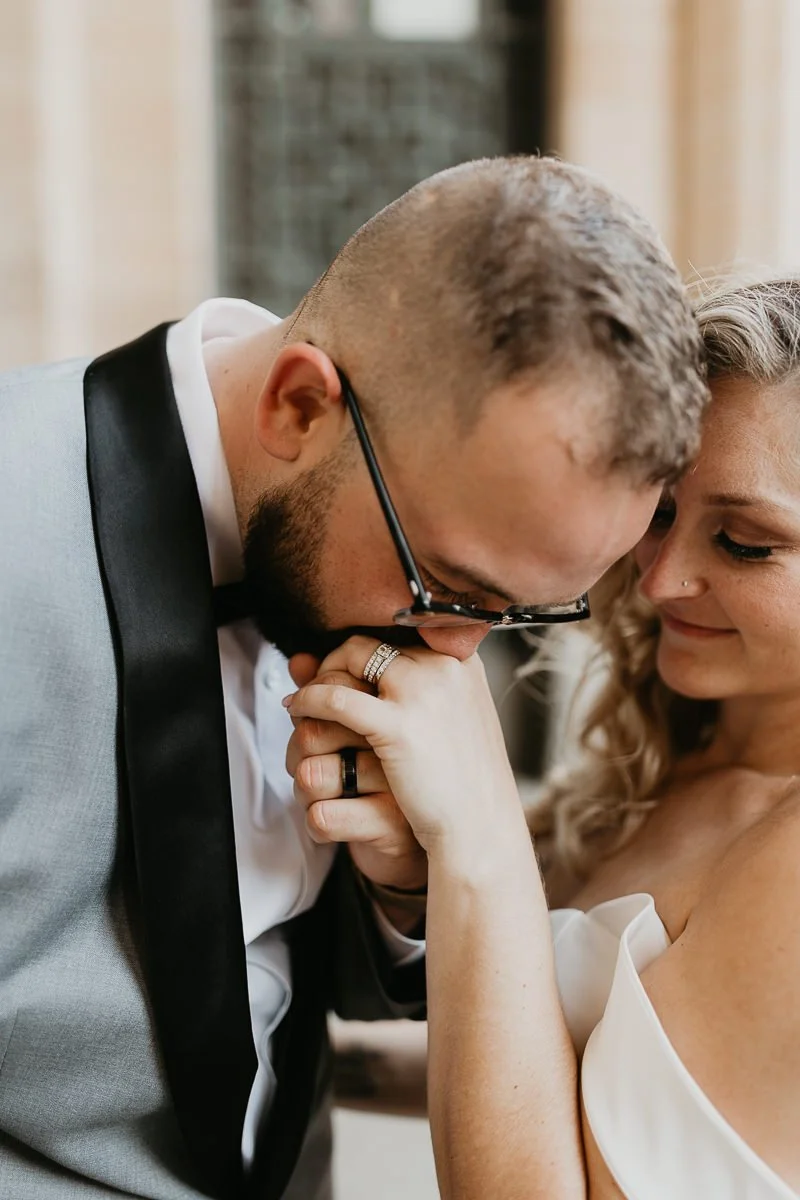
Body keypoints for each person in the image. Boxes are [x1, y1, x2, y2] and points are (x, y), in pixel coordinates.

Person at [0, 156, 706, 1200]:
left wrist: (400, 888)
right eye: (448, 585)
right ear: (298, 406)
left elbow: (257, 1003)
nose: (457, 655)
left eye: (516, 615)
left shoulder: (387, 603)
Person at [287, 276, 800, 1198]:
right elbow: (556, 1075)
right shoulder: (681, 751)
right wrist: (412, 882)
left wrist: (479, 837)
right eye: (661, 513)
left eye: (746, 543)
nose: (659, 580)